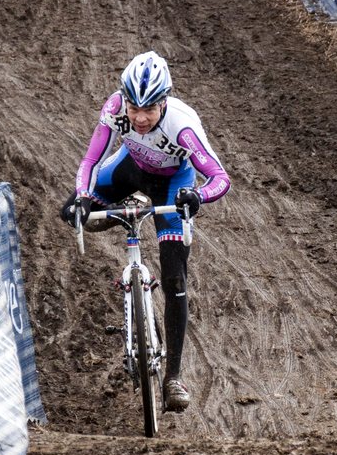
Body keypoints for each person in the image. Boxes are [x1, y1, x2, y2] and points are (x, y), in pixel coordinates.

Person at [61, 50, 231, 412]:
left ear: (164, 103)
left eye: (148, 110)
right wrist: (83, 197)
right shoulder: (114, 109)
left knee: (174, 281)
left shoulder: (182, 126)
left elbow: (220, 178)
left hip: (173, 185)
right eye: (133, 108)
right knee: (72, 211)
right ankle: (120, 212)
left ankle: (173, 377)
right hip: (130, 169)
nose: (138, 118)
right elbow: (92, 160)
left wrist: (196, 196)